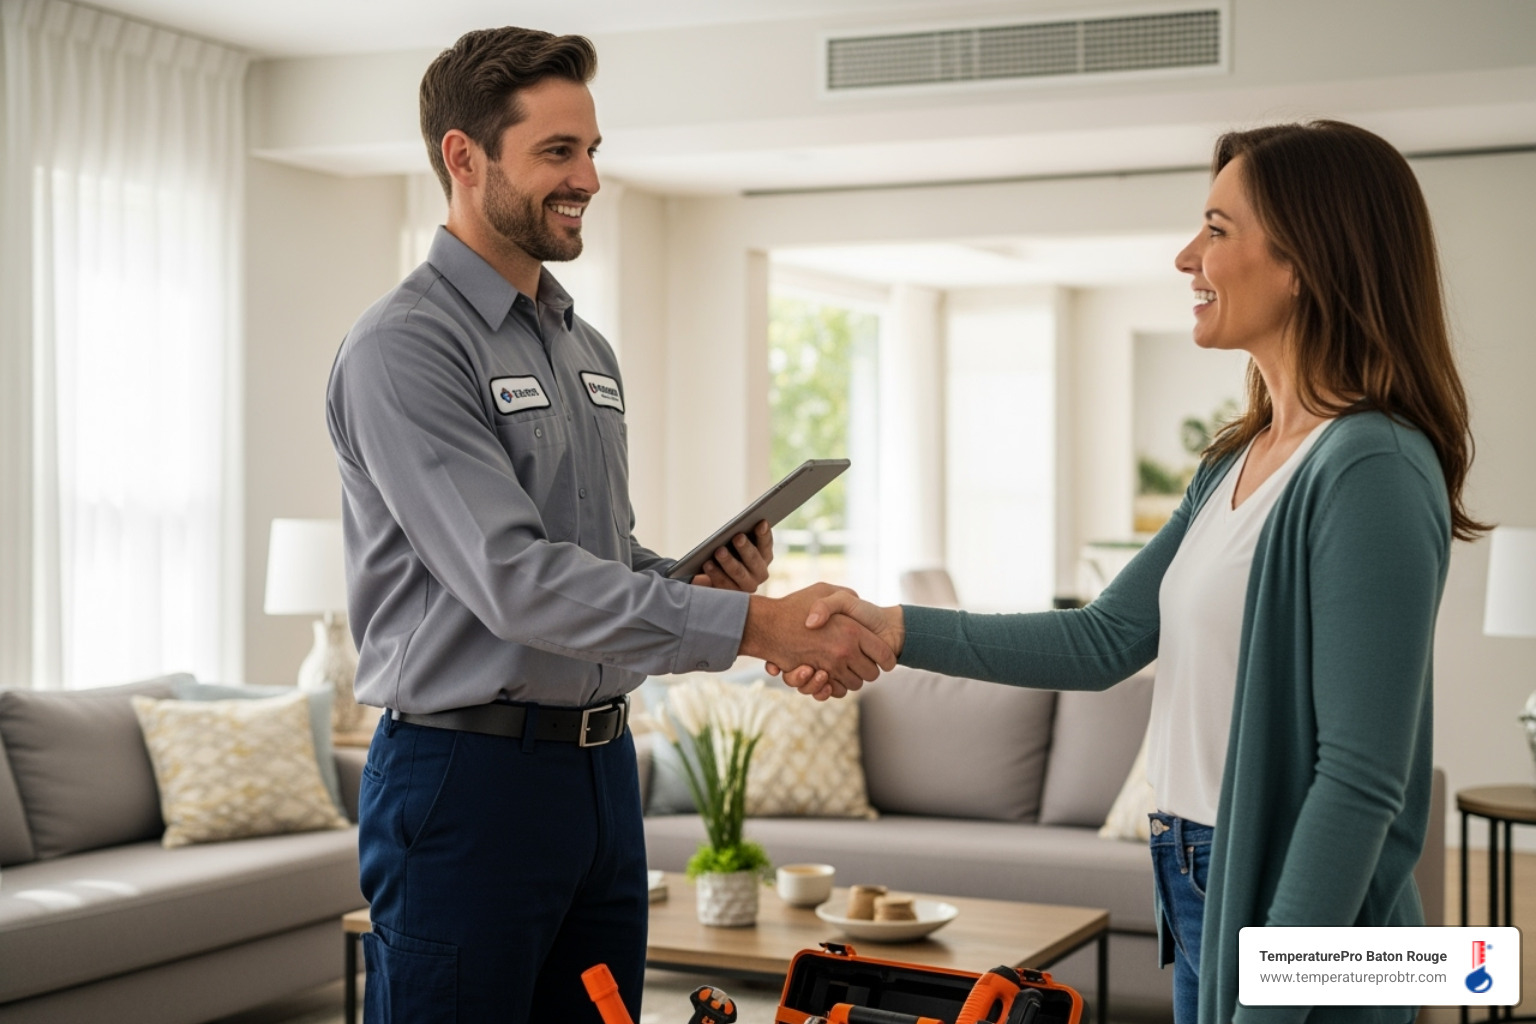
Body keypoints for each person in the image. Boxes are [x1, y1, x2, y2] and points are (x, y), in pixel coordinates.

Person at [778, 120, 1485, 1024]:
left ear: (1305, 262)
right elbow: (1103, 638)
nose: (1188, 256)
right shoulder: (1235, 461)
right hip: (1192, 874)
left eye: (1217, 229)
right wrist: (891, 627)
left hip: (1288, 898)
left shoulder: (1371, 466)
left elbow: (1359, 780)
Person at [325, 26, 893, 1024]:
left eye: (591, 149)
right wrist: (758, 625)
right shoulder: (405, 348)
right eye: (558, 151)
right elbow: (516, 580)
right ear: (464, 157)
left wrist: (694, 584)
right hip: (465, 779)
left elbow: (598, 559)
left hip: (599, 776)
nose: (588, 177)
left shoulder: (584, 348)